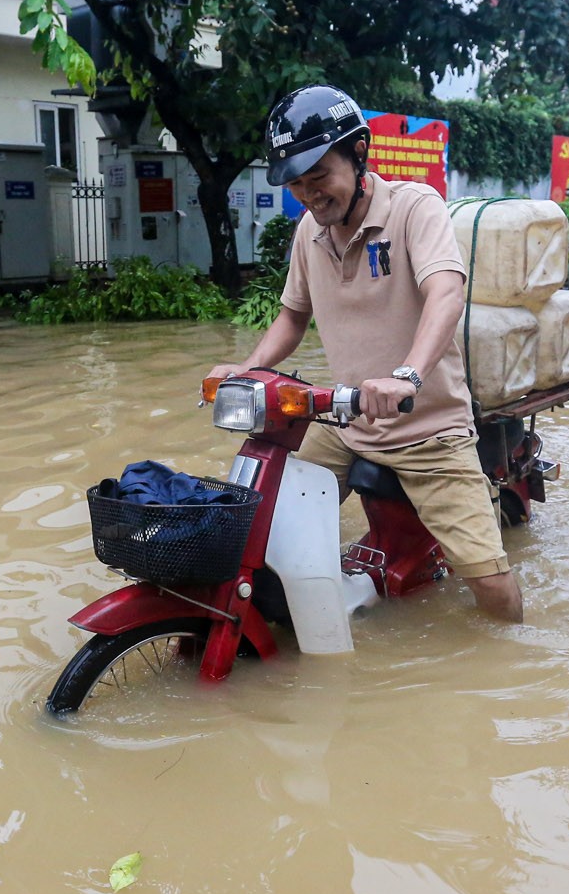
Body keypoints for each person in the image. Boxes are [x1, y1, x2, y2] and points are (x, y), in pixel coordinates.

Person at [206, 84, 523, 621]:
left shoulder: (413, 207)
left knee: (491, 586)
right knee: (263, 527)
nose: (310, 195)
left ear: (359, 152)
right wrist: (249, 367)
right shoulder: (310, 230)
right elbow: (292, 315)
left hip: (428, 428)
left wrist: (408, 376)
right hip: (345, 418)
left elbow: (445, 293)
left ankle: (515, 670)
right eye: (299, 185)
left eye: (320, 177)